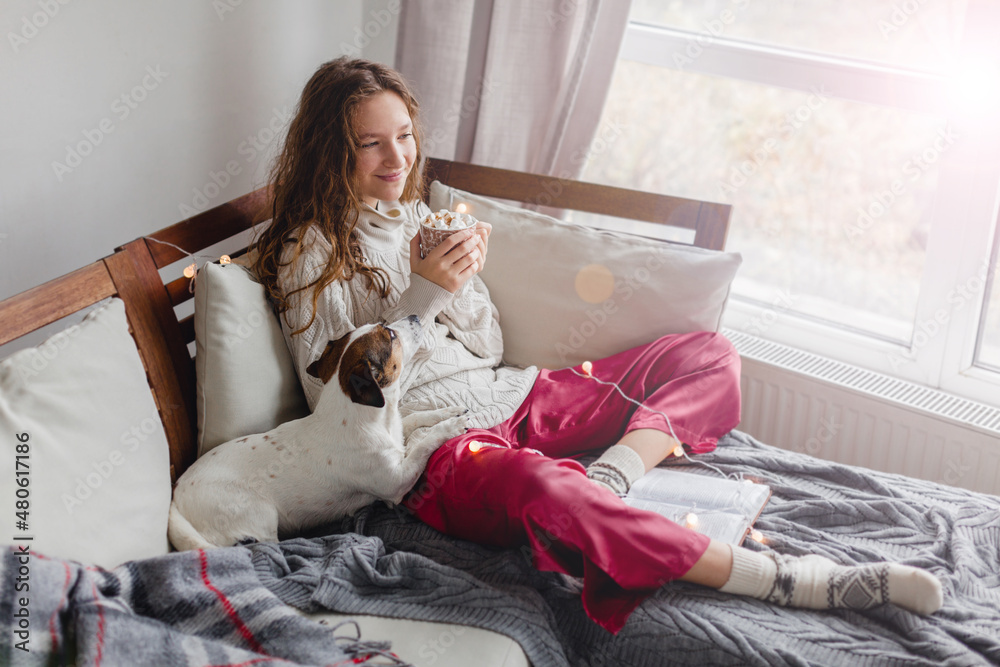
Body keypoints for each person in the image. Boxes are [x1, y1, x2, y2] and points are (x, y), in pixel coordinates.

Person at [251, 57, 943, 634]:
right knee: (547, 488)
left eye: (404, 134)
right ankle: (792, 579)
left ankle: (614, 474)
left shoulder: (422, 219)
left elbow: (489, 345)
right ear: (331, 150)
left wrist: (456, 283)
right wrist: (425, 293)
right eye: (372, 143)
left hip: (511, 394)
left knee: (706, 353)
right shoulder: (304, 254)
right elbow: (340, 400)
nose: (398, 157)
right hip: (433, 449)